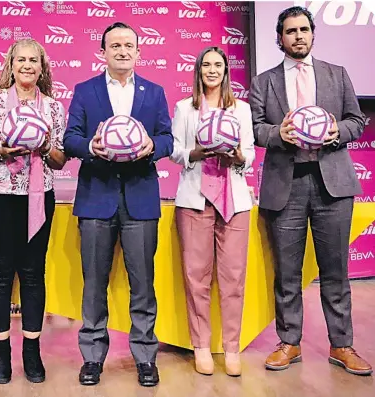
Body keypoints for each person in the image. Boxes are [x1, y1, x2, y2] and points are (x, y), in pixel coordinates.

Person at [249, 6, 372, 376]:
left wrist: (338, 133)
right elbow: (255, 128)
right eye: (290, 31)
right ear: (279, 38)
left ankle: (342, 345)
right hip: (285, 184)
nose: (298, 36)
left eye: (304, 29)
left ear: (313, 34)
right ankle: (289, 343)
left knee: (336, 271)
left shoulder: (337, 75)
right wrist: (277, 134)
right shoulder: (263, 81)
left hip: (331, 184)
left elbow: (356, 120)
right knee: (286, 272)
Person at [63, 22, 173, 387]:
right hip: (96, 198)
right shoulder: (85, 90)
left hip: (141, 200)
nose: (123, 51)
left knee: (143, 284)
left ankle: (145, 357)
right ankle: (92, 357)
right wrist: (90, 148)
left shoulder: (154, 93)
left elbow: (167, 138)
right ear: (103, 52)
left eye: (129, 45)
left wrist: (152, 148)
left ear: (139, 52)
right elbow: (70, 138)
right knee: (93, 284)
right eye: (115, 45)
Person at [0, 38, 67, 384]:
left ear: (42, 68)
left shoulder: (53, 108)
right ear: (11, 64)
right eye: (21, 60)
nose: (27, 65)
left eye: (33, 61)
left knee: (32, 273)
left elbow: (59, 159)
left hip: (38, 197)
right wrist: (4, 151)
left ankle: (32, 352)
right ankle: (0, 353)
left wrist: (44, 146)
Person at [170, 46, 255, 377]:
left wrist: (236, 156)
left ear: (225, 70)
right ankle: (201, 346)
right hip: (194, 199)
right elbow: (176, 151)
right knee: (196, 277)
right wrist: (197, 152)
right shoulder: (184, 108)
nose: (212, 70)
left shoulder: (242, 110)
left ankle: (231, 348)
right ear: (198, 70)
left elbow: (248, 153)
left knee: (233, 278)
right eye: (206, 64)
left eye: (218, 65)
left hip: (234, 202)